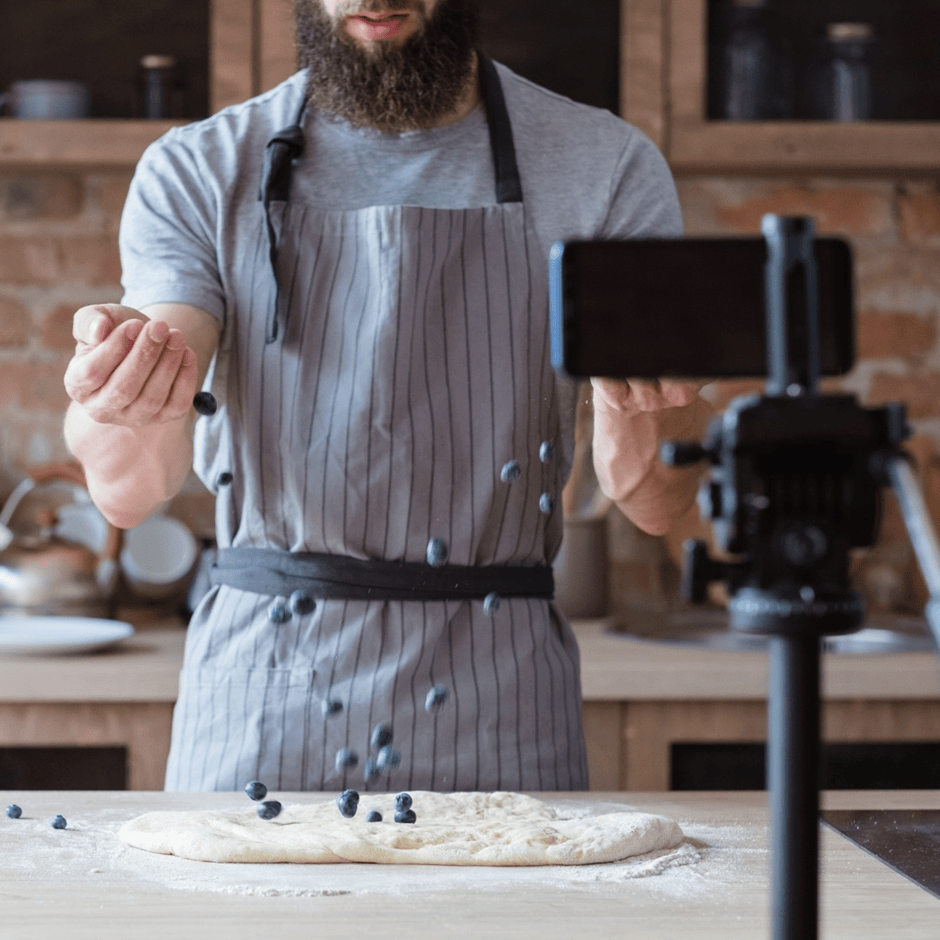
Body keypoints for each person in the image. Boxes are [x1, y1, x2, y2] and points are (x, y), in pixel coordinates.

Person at [63, 0, 708, 793]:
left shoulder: (603, 164)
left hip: (503, 703)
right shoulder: (200, 167)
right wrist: (130, 380)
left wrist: (641, 400)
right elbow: (130, 485)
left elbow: (657, 503)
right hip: (264, 699)